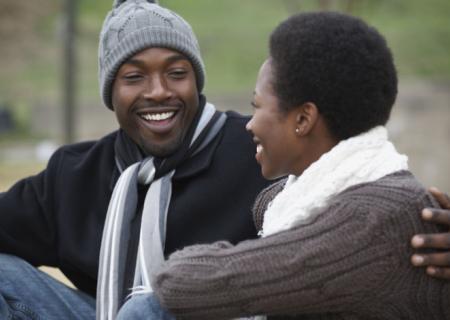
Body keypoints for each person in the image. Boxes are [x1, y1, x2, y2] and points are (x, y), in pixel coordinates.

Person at [151, 12, 450, 319]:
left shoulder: (372, 222)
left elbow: (181, 283)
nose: (249, 124)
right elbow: (266, 207)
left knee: (149, 309)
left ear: (304, 119)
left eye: (256, 106)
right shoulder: (348, 193)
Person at [0, 1, 270, 319]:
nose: (158, 91)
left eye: (177, 73)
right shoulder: (75, 174)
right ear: (110, 93)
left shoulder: (255, 149)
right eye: (134, 77)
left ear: (196, 82)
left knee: (151, 305)